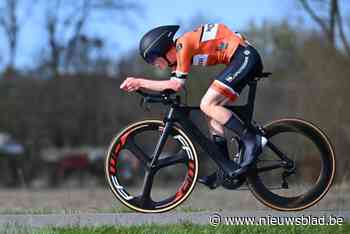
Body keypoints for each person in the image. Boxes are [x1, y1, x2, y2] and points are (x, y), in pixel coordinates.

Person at [120, 24, 267, 186]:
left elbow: (176, 85)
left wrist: (139, 82)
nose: (155, 64)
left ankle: (252, 139)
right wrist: (147, 92)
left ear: (162, 50)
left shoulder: (182, 45)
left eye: (153, 59)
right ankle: (225, 168)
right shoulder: (179, 56)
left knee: (207, 104)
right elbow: (171, 85)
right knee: (211, 112)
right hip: (240, 58)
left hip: (243, 56)